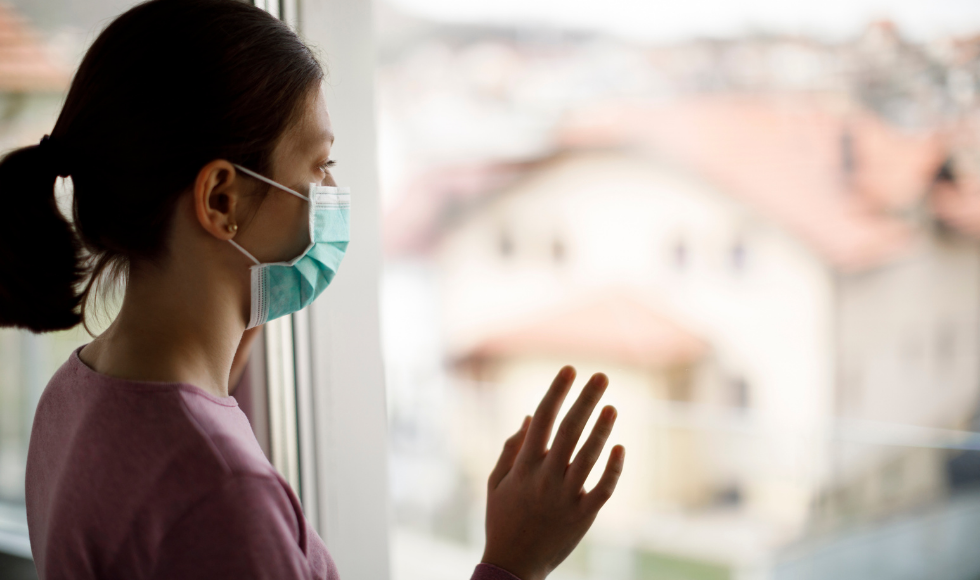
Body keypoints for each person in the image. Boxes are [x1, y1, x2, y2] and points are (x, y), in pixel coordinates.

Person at [0, 0, 626, 578]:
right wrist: (513, 561)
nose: (330, 191)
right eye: (320, 165)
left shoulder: (75, 394)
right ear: (223, 199)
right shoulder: (220, 491)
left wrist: (225, 334)